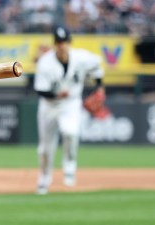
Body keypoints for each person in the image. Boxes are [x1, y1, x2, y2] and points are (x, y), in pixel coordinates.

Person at [34, 25, 105, 195]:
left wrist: (99, 86)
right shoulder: (45, 62)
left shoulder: (81, 57)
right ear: (54, 44)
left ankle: (69, 167)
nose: (62, 45)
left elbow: (98, 65)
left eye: (64, 41)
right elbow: (40, 89)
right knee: (45, 148)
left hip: (71, 103)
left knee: (70, 132)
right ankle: (44, 179)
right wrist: (57, 94)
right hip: (49, 105)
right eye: (58, 42)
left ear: (69, 42)